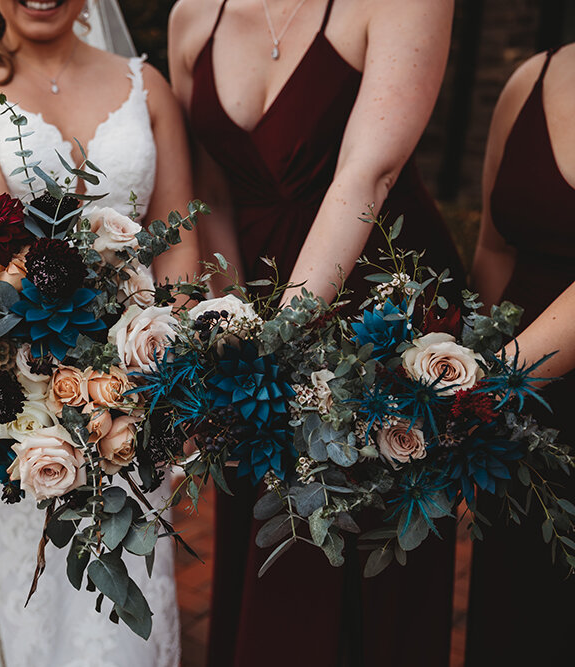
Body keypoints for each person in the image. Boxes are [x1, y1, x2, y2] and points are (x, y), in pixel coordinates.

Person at [168, 0, 463, 665]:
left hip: (377, 316)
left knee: (371, 566)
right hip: (253, 308)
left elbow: (370, 171)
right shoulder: (192, 16)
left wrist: (278, 344)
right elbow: (209, 186)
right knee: (272, 557)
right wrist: (234, 327)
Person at [0, 1, 198, 665]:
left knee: (121, 628)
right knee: (27, 609)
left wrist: (171, 372)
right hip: (13, 401)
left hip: (139, 399)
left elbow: (180, 246)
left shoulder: (146, 86)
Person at [466, 43, 575, 666]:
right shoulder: (529, 80)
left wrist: (466, 392)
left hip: (507, 384)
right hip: (517, 424)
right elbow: (494, 246)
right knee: (513, 622)